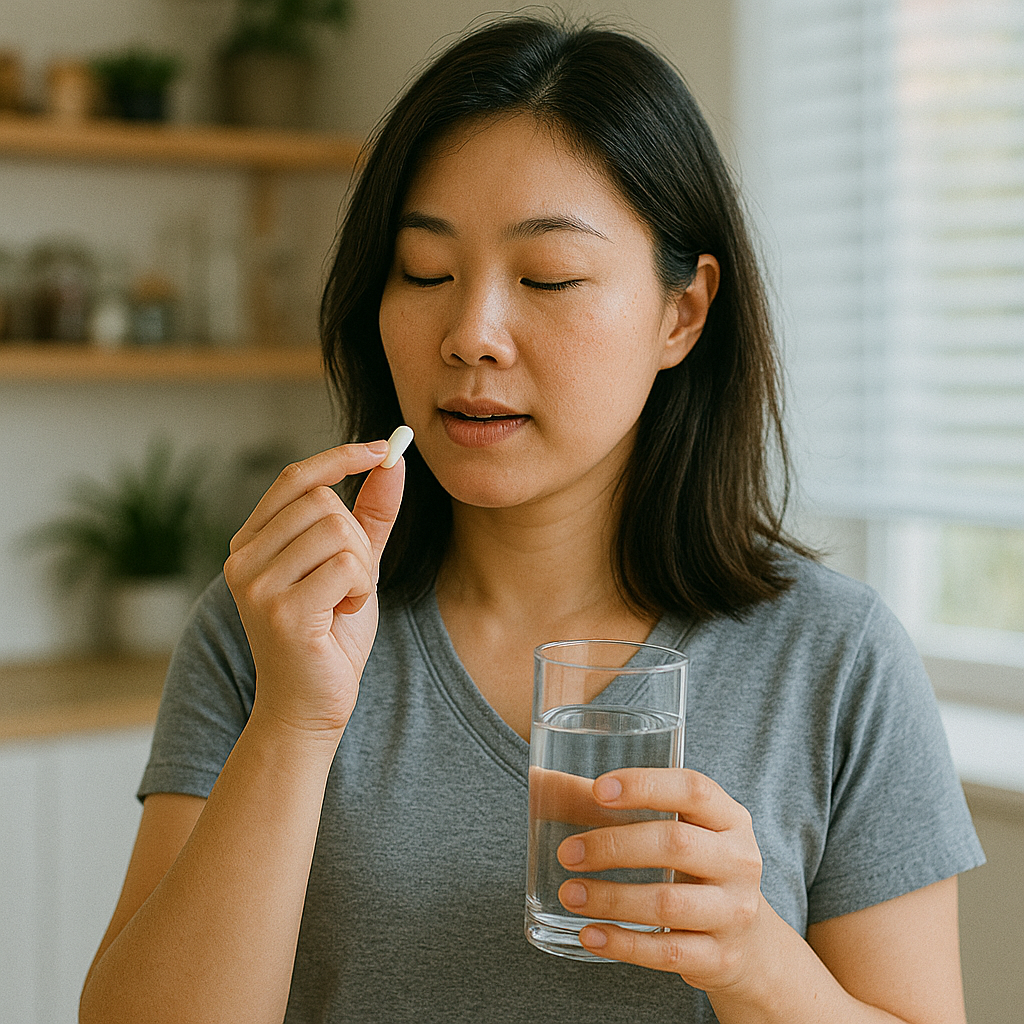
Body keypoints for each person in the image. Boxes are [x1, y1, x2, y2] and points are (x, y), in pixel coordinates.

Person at [79, 15, 983, 1024]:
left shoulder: (837, 658)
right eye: (424, 273)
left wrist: (754, 960)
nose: (470, 335)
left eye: (547, 278)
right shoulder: (275, 627)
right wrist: (296, 717)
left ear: (680, 314)